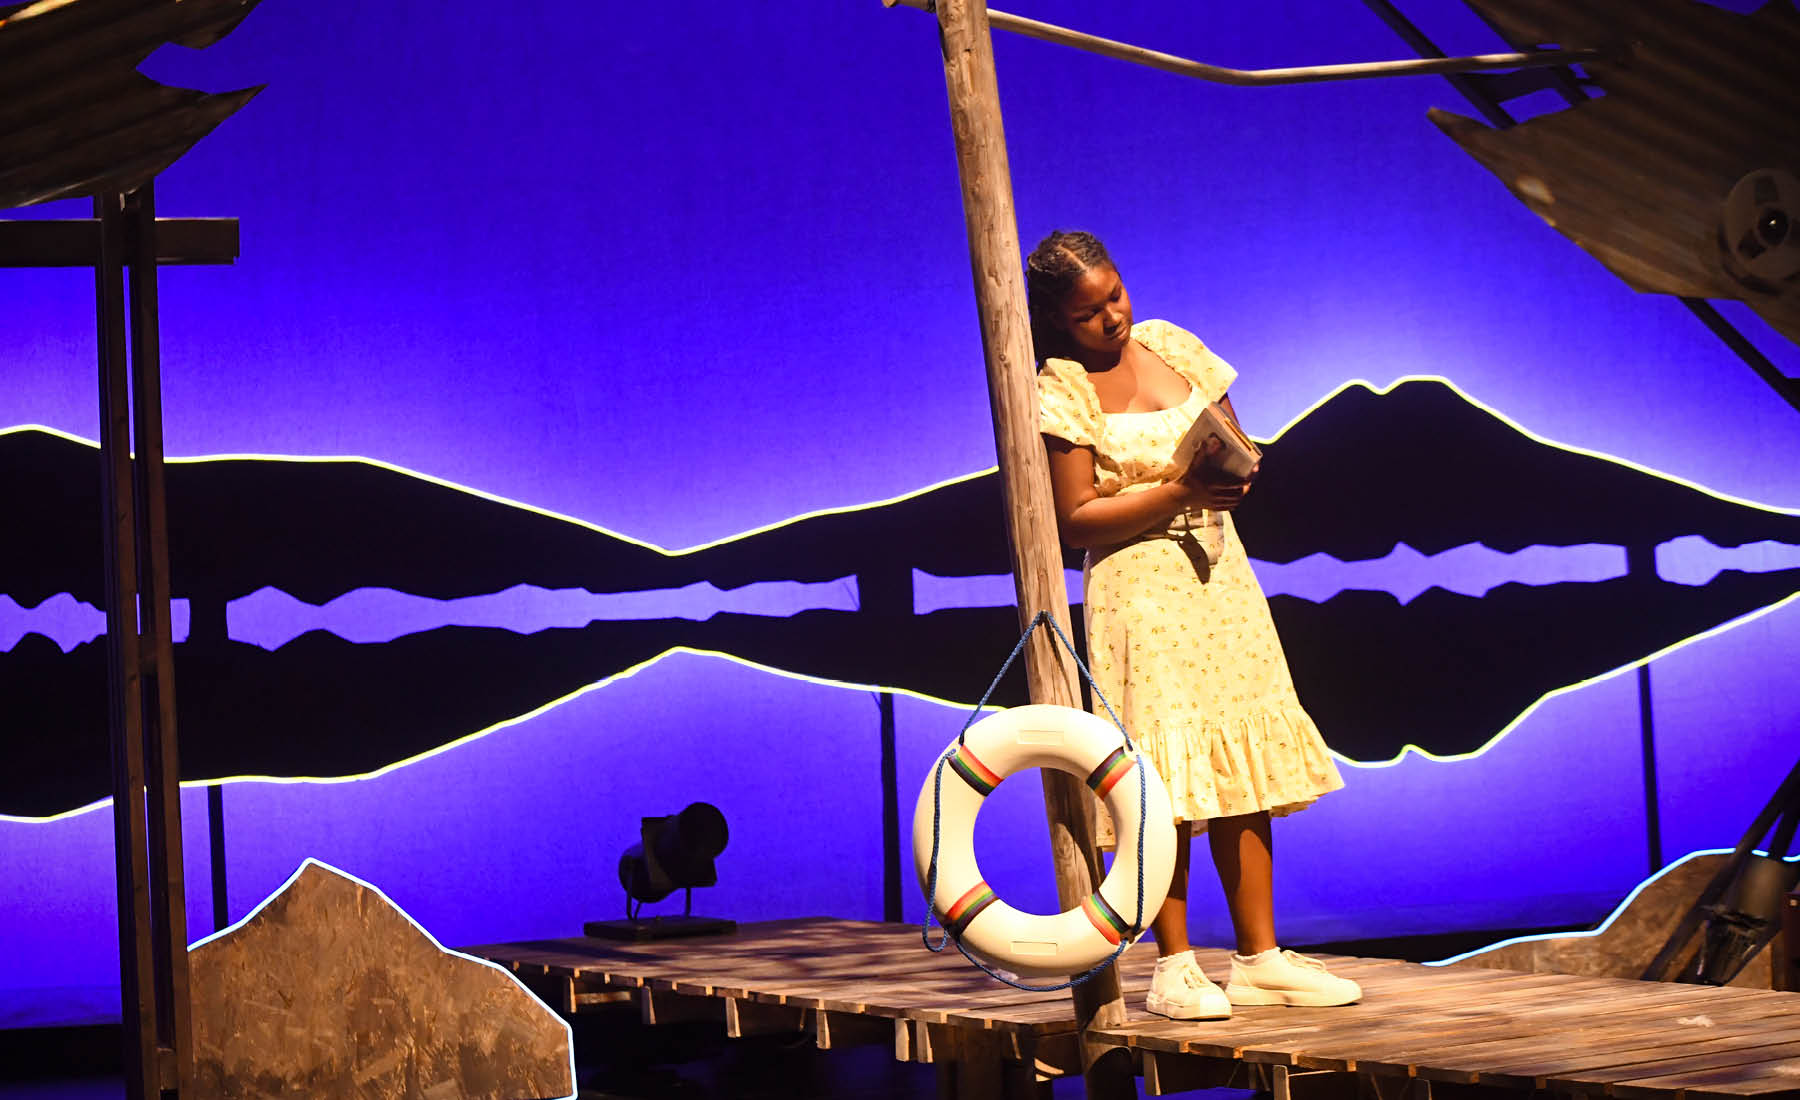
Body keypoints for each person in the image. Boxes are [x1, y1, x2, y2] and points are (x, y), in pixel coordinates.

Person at [1028, 229, 1358, 1020]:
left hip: (1219, 578)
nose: (1111, 317)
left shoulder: (1170, 344)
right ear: (1057, 323)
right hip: (1139, 589)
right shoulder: (1061, 386)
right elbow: (1076, 516)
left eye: (1114, 295)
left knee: (1243, 763)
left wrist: (1231, 470)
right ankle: (1173, 963)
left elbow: (1233, 438)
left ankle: (1261, 956)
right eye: (1088, 313)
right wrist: (1179, 491)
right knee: (1163, 778)